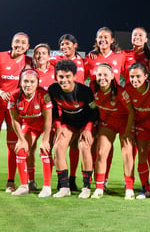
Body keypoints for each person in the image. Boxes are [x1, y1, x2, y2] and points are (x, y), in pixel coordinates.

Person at [0, 32, 32, 194]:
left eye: (23, 43)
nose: (19, 45)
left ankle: (10, 181)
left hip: (15, 107)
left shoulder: (28, 62)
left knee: (13, 145)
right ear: (12, 43)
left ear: (27, 47)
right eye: (16, 41)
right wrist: (0, 92)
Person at [48, 59, 99, 198]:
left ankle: (86, 188)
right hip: (68, 123)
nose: (64, 80)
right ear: (56, 77)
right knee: (58, 147)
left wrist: (88, 128)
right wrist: (58, 126)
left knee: (84, 146)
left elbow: (94, 112)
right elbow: (53, 110)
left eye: (68, 76)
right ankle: (64, 187)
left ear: (74, 77)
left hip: (85, 124)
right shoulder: (53, 90)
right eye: (61, 77)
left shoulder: (84, 92)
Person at [90, 63, 135, 199]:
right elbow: (92, 107)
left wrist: (127, 132)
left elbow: (131, 112)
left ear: (112, 76)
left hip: (123, 123)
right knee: (101, 152)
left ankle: (129, 187)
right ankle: (99, 187)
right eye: (99, 75)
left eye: (105, 75)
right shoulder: (93, 88)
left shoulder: (120, 92)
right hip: (107, 123)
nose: (102, 78)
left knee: (127, 153)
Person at [8, 69, 53, 197]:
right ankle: (24, 185)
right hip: (30, 126)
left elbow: (48, 119)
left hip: (45, 126)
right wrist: (21, 139)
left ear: (37, 83)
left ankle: (47, 187)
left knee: (45, 149)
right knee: (21, 149)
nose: (28, 84)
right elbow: (15, 120)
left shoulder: (44, 95)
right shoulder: (14, 96)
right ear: (20, 82)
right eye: (25, 81)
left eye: (32, 81)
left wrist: (45, 140)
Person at [50, 33, 86, 191]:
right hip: (62, 109)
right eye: (61, 45)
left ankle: (72, 179)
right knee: (58, 145)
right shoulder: (55, 61)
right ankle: (60, 179)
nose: (64, 47)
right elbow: (40, 60)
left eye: (67, 44)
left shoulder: (83, 61)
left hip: (80, 111)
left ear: (75, 45)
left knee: (76, 147)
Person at [125, 62, 150, 199]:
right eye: (132, 77)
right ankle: (145, 188)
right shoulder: (128, 89)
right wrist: (129, 129)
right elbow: (130, 110)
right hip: (142, 126)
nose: (134, 80)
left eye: (138, 76)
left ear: (146, 76)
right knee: (142, 155)